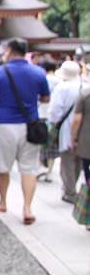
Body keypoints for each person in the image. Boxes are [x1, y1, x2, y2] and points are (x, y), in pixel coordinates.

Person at [0, 38, 50, 225]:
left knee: (3, 167)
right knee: (29, 168)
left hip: (5, 124)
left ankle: (3, 201)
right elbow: (45, 97)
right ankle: (27, 208)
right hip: (30, 125)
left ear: (10, 51)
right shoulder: (38, 72)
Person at [49, 61, 87, 203]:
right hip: (84, 130)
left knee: (67, 161)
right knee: (78, 160)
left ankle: (69, 191)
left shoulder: (62, 88)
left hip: (66, 127)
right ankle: (71, 188)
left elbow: (55, 111)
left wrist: (54, 124)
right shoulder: (85, 86)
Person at [38, 58, 61, 182]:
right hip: (54, 118)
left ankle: (40, 165)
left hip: (41, 114)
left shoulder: (42, 79)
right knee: (52, 146)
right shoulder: (59, 81)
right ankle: (49, 172)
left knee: (39, 144)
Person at [71, 88, 90, 228]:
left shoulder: (85, 93)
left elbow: (77, 119)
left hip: (87, 143)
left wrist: (73, 138)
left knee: (89, 178)